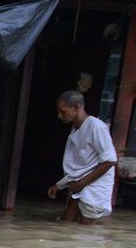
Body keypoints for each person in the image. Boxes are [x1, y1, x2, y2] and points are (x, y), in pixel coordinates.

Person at [48, 90, 118, 224]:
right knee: (65, 223)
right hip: (81, 186)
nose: (59, 116)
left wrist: (82, 183)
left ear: (76, 107)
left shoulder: (96, 127)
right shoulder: (76, 128)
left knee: (85, 230)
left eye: (63, 111)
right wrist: (58, 185)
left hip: (94, 188)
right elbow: (79, 167)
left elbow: (110, 160)